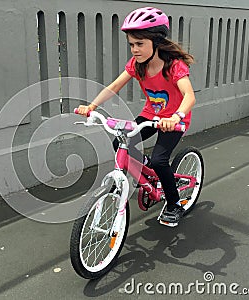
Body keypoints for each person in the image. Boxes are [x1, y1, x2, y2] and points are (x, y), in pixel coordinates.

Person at [76, 7, 196, 226]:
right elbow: (114, 86)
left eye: (140, 44)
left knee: (160, 161)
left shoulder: (174, 66)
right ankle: (146, 167)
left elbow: (189, 95)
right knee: (119, 142)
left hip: (173, 121)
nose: (134, 49)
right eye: (131, 44)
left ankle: (174, 204)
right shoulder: (136, 65)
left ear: (156, 42)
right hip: (151, 115)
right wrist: (91, 106)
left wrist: (177, 116)